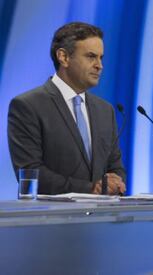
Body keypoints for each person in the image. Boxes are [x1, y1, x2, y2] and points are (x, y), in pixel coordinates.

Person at [8, 22, 126, 195]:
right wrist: (90, 189)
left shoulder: (105, 110)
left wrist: (116, 181)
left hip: (100, 219)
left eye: (101, 57)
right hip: (52, 218)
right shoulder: (28, 106)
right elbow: (30, 172)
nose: (99, 65)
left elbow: (115, 166)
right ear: (63, 57)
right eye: (91, 56)